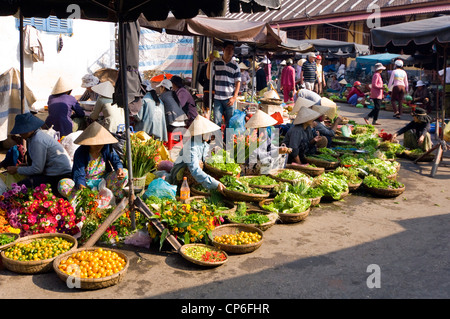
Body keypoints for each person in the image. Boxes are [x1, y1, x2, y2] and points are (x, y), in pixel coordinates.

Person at [58, 121, 128, 201]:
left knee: (125, 173)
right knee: (63, 184)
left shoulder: (106, 147)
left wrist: (119, 169)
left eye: (101, 144)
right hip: (86, 184)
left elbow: (115, 160)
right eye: (95, 144)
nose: (99, 146)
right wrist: (83, 189)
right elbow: (79, 175)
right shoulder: (80, 153)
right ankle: (85, 199)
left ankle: (111, 195)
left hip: (103, 182)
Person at [6, 112, 72, 193]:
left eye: (22, 131)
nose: (20, 134)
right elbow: (39, 162)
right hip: (51, 172)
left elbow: (37, 169)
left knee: (20, 187)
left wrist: (17, 169)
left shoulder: (38, 140)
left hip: (60, 176)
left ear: (30, 129)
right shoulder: (34, 138)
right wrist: (25, 166)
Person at [167, 115, 226, 193]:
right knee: (199, 164)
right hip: (180, 177)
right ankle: (186, 188)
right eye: (207, 132)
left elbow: (207, 158)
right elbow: (195, 170)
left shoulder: (203, 143)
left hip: (194, 172)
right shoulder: (191, 147)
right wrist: (215, 183)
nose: (210, 134)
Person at [207, 41, 241, 132]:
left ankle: (228, 145)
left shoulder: (235, 65)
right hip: (218, 98)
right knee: (216, 122)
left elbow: (238, 82)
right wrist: (210, 62)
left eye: (232, 49)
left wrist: (234, 97)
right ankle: (218, 144)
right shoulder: (216, 62)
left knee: (230, 124)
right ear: (223, 50)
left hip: (229, 99)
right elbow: (209, 76)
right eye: (228, 49)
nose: (230, 51)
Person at [246, 110, 291, 174]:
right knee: (268, 161)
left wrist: (280, 149)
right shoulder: (251, 136)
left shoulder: (264, 133)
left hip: (263, 157)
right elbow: (258, 155)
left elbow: (269, 146)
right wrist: (276, 151)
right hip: (254, 162)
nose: (265, 128)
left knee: (282, 155)